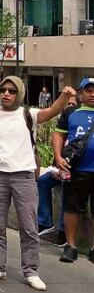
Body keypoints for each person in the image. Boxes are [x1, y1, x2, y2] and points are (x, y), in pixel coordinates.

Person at [0, 76, 73, 290]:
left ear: (18, 92)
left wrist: (64, 96)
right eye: (3, 89)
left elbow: (51, 112)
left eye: (11, 90)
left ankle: (31, 270)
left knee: (29, 227)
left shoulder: (27, 114)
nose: (6, 94)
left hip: (24, 177)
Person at [52, 77, 94, 264]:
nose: (92, 94)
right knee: (72, 207)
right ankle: (71, 246)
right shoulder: (71, 112)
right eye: (89, 90)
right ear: (81, 93)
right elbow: (58, 135)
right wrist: (59, 157)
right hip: (77, 169)